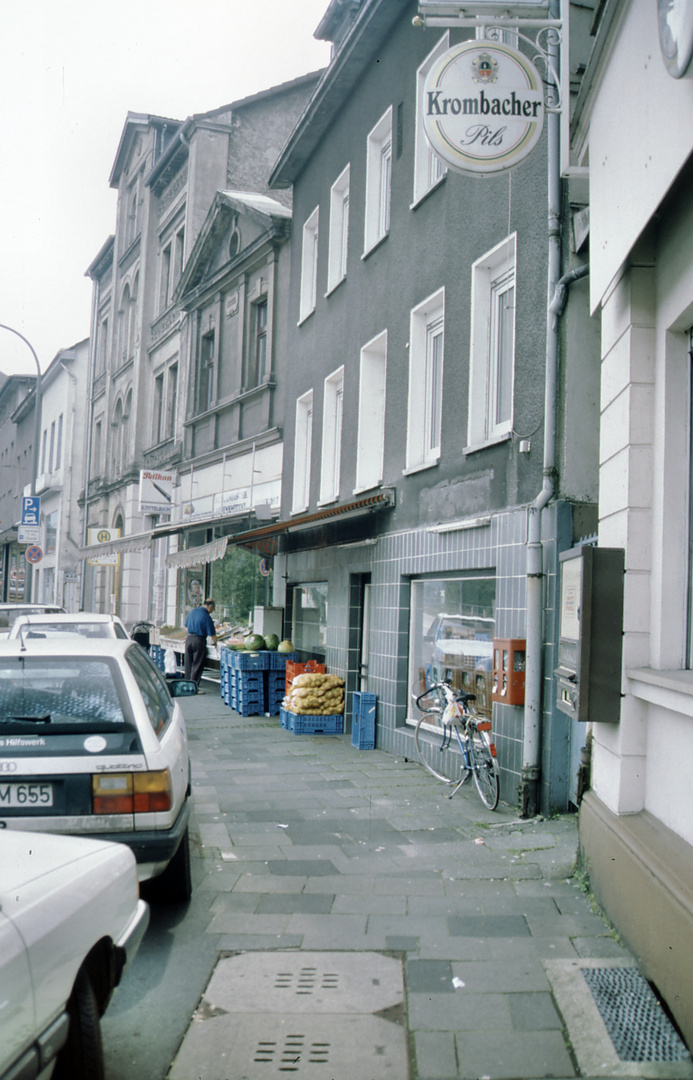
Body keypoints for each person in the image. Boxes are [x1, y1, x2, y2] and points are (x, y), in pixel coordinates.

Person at [184, 598, 217, 692]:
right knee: (197, 664)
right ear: (210, 607)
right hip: (199, 640)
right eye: (212, 609)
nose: (211, 612)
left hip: (189, 639)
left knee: (188, 663)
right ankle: (193, 687)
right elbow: (212, 635)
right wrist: (216, 643)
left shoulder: (192, 611)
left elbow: (186, 626)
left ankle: (187, 685)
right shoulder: (206, 616)